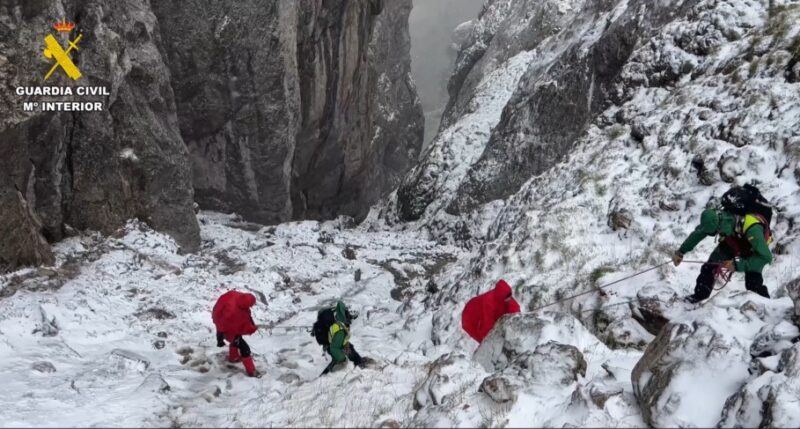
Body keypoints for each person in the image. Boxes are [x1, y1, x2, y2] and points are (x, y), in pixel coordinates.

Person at [673, 205, 773, 303]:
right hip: (732, 242)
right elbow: (698, 233)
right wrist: (681, 252)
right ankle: (699, 296)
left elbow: (766, 257)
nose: (717, 233)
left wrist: (737, 264)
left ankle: (766, 305)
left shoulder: (753, 229)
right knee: (709, 267)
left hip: (754, 250)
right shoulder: (715, 219)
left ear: (720, 226)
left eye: (717, 231)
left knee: (753, 283)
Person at [212, 290, 260, 377]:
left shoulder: (235, 295)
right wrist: (220, 336)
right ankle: (251, 372)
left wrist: (251, 325)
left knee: (236, 339)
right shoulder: (233, 312)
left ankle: (233, 358)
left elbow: (244, 320)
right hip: (225, 329)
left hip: (219, 317)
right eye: (250, 306)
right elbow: (236, 327)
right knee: (245, 349)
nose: (250, 307)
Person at [321, 301, 365, 375]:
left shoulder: (340, 324)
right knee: (336, 361)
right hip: (333, 349)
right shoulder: (340, 331)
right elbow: (334, 348)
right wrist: (343, 359)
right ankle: (325, 377)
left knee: (350, 348)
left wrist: (346, 345)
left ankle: (358, 362)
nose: (350, 318)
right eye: (349, 316)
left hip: (337, 345)